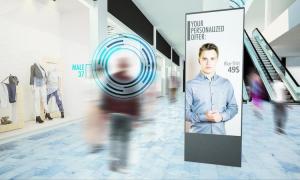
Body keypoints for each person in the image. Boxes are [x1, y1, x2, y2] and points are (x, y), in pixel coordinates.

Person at [186, 43, 238, 135]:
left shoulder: (226, 83)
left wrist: (221, 116)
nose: (208, 63)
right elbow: (185, 113)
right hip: (197, 137)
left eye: (212, 58)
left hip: (220, 136)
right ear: (199, 60)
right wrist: (204, 117)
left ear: (216, 60)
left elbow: (233, 107)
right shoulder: (189, 85)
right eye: (204, 58)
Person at [102, 58, 140, 172]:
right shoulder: (131, 80)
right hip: (126, 116)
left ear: (119, 65)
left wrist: (105, 111)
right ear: (126, 66)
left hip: (114, 114)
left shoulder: (111, 79)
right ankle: (123, 165)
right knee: (124, 141)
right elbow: (135, 100)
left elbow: (106, 96)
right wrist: (136, 118)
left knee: (114, 139)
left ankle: (113, 162)